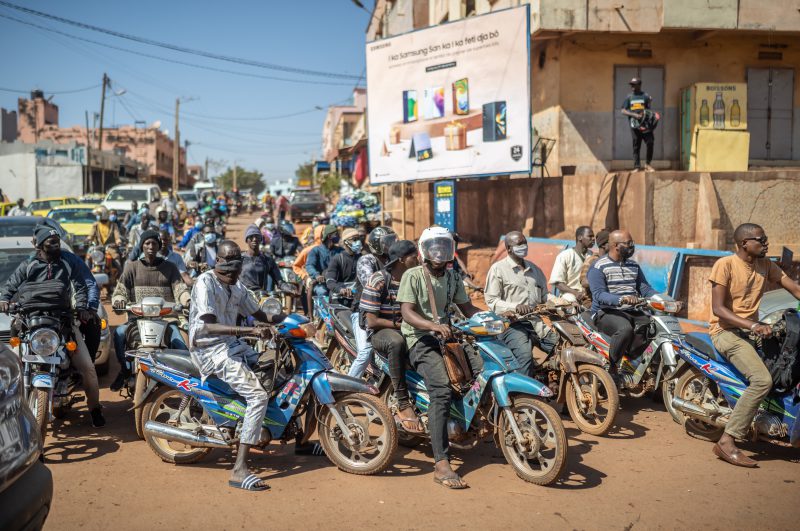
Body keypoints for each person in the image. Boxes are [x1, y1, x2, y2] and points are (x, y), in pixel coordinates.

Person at [188, 240, 286, 491]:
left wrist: (291, 320)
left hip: (233, 345)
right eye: (228, 267)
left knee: (279, 370)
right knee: (257, 395)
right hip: (209, 350)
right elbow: (208, 325)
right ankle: (239, 469)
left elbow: (261, 315)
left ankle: (296, 438)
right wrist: (251, 330)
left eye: (237, 267)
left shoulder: (237, 286)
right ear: (218, 262)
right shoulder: (205, 283)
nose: (233, 273)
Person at [708, 223, 800, 467]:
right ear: (744, 243)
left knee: (785, 368)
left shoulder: (765, 264)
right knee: (762, 380)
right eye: (761, 240)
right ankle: (727, 441)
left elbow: (793, 287)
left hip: (754, 333)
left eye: (766, 238)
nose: (766, 243)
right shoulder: (725, 265)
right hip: (726, 333)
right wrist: (752, 326)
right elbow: (719, 310)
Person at [397, 226, 482, 489]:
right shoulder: (412, 275)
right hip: (420, 339)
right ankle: (441, 462)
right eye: (434, 246)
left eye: (443, 246)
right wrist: (432, 326)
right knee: (442, 390)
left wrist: (490, 318)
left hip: (448, 337)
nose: (439, 251)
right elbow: (407, 313)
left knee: (480, 369)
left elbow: (466, 307)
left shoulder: (453, 277)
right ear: (424, 250)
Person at [0, 225, 105, 427]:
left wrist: (83, 307)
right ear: (39, 244)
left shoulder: (68, 261)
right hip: (31, 323)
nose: (54, 242)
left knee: (89, 369)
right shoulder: (28, 264)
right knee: (12, 367)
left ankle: (95, 409)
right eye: (50, 240)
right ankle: (10, 414)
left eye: (56, 239)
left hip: (63, 322)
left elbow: (82, 285)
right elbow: (11, 285)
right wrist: (5, 299)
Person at [110, 230, 191, 390]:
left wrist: (187, 300)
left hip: (166, 320)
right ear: (141, 246)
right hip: (137, 320)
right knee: (119, 334)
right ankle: (125, 370)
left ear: (159, 246)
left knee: (180, 346)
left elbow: (180, 289)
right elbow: (120, 291)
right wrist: (119, 301)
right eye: (147, 243)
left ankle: (186, 385)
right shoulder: (131, 268)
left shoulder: (171, 268)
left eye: (154, 243)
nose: (151, 246)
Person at [360, 240, 422, 433]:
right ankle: (403, 403)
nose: (418, 259)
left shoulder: (414, 278)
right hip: (382, 333)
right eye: (414, 256)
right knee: (397, 342)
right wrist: (400, 325)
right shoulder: (378, 280)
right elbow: (371, 321)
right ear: (402, 260)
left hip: (409, 329)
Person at [484, 231, 560, 377]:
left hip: (535, 323)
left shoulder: (535, 270)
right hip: (510, 324)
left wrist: (559, 301)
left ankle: (550, 380)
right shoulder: (498, 269)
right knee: (524, 356)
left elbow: (544, 296)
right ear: (508, 248)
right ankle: (522, 396)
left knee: (559, 347)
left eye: (524, 243)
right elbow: (492, 301)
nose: (523, 246)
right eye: (519, 244)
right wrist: (515, 307)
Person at [587, 229, 657, 371]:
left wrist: (664, 298)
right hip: (606, 312)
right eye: (628, 243)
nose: (632, 246)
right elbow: (599, 295)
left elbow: (645, 289)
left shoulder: (633, 266)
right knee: (625, 330)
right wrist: (622, 299)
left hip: (632, 310)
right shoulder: (598, 266)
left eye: (632, 243)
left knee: (653, 328)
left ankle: (635, 365)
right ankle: (613, 368)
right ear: (615, 246)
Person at [348, 226, 397, 379]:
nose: (391, 245)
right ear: (377, 245)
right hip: (363, 313)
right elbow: (370, 284)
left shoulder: (393, 261)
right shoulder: (366, 260)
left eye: (392, 241)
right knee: (366, 351)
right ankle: (347, 385)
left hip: (387, 313)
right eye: (387, 242)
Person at [550, 226, 595, 303]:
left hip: (589, 295)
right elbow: (557, 283)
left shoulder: (593, 256)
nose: (593, 239)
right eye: (590, 236)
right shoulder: (565, 255)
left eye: (593, 236)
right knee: (571, 300)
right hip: (570, 295)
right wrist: (575, 293)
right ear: (580, 237)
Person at [621, 77, 655, 172]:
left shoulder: (645, 96)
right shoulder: (629, 97)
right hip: (634, 125)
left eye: (634, 84)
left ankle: (648, 164)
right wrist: (634, 115)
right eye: (631, 84)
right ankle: (637, 167)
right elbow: (623, 110)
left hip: (645, 125)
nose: (631, 86)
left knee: (650, 142)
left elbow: (649, 109)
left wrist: (649, 101)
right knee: (636, 145)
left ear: (639, 85)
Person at [240, 224, 282, 293]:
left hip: (261, 298)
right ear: (246, 240)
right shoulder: (240, 259)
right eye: (251, 237)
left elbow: (279, 281)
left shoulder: (267, 260)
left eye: (257, 236)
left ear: (261, 239)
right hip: (243, 298)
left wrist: (286, 286)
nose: (254, 239)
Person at [306, 225, 341, 298]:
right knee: (322, 292)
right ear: (329, 236)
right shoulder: (315, 251)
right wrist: (317, 275)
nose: (338, 236)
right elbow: (309, 265)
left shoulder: (340, 251)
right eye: (336, 234)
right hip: (321, 283)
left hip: (337, 283)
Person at [580, 229, 610, 303]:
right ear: (603, 245)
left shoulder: (612, 260)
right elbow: (584, 282)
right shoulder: (591, 261)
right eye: (612, 242)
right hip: (591, 301)